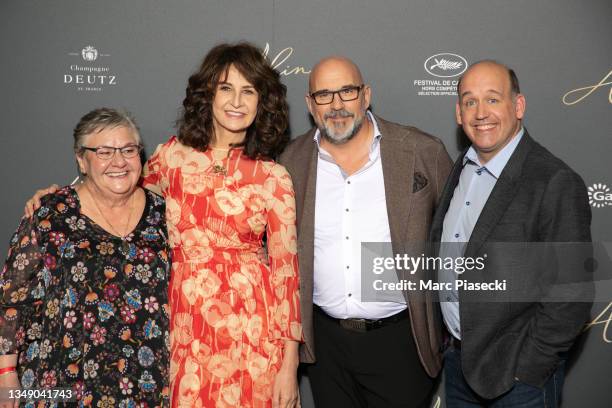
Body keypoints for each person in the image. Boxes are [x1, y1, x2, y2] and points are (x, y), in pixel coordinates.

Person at [24, 42, 302, 408]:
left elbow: (286, 274)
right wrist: (68, 194)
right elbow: (118, 188)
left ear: (261, 100)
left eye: (248, 90)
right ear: (208, 95)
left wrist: (289, 364)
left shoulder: (273, 177)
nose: (237, 101)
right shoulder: (172, 157)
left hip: (253, 329)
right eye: (226, 88)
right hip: (182, 325)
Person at [278, 56, 453, 407]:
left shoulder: (422, 151)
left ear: (366, 95)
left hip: (401, 341)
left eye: (347, 91)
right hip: (326, 349)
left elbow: (457, 238)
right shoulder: (290, 162)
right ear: (310, 105)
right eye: (324, 95)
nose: (337, 105)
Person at [430, 60, 592, 407]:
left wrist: (529, 368)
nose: (480, 112)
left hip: (516, 380)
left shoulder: (553, 181)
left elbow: (572, 293)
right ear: (458, 113)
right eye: (470, 101)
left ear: (518, 106)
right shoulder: (462, 167)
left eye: (492, 99)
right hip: (458, 367)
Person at [0, 108, 170, 407]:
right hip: (63, 383)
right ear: (81, 160)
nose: (119, 161)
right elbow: (13, 299)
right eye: (104, 151)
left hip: (151, 384)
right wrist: (6, 376)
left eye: (128, 150)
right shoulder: (49, 213)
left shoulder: (165, 215)